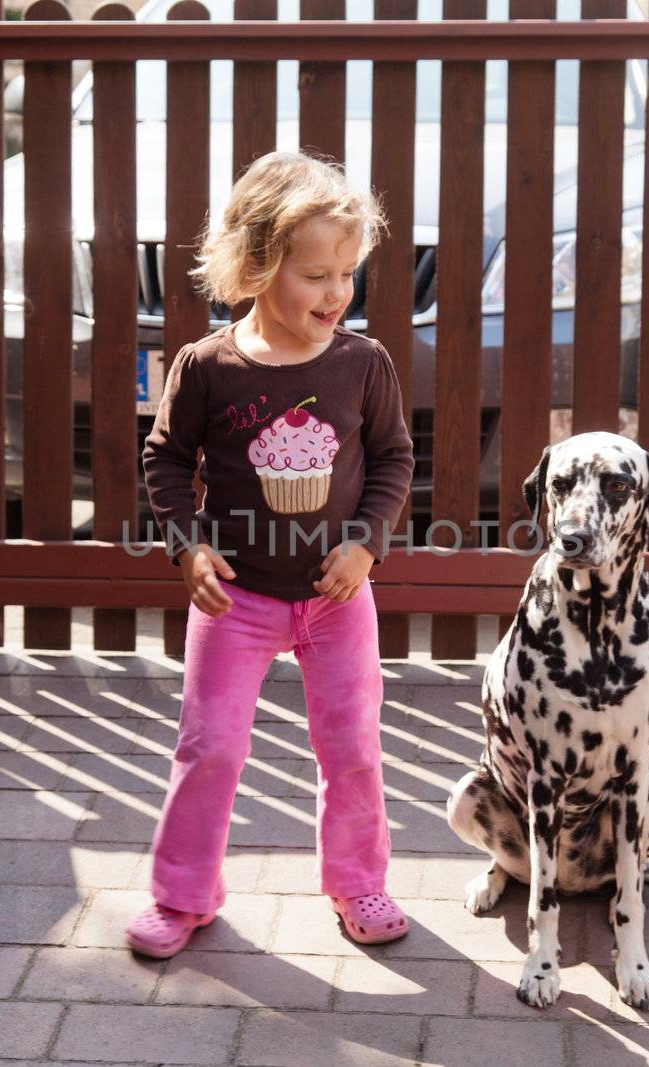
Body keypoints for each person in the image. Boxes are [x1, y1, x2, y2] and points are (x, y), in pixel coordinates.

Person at [126, 150, 416, 958]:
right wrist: (188, 548)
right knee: (210, 744)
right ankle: (183, 894)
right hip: (237, 598)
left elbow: (394, 459)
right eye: (316, 274)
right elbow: (164, 461)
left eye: (347, 273)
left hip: (335, 598)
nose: (336, 294)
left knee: (353, 744)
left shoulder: (364, 365)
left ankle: (357, 878)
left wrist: (365, 544)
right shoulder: (207, 368)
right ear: (257, 265)